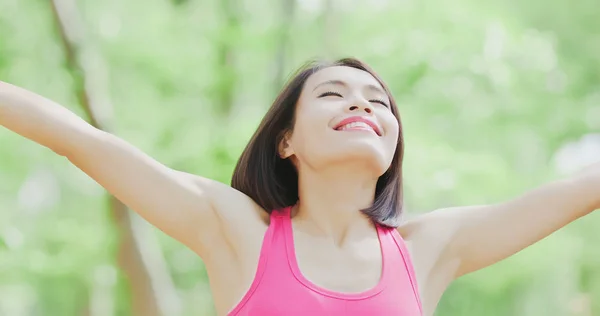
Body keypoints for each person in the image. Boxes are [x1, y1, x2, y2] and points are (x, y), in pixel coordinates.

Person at [0, 58, 598, 316]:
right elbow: (81, 140)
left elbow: (578, 191)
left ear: (392, 146)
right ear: (286, 141)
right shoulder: (236, 232)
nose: (361, 104)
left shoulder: (428, 248)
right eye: (334, 94)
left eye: (378, 102)